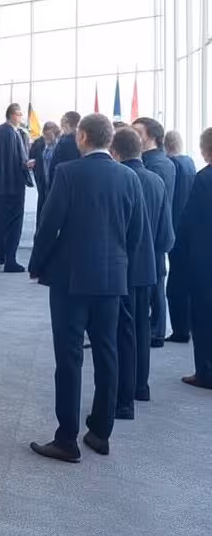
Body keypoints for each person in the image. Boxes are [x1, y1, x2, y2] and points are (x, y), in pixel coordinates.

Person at [29, 114, 151, 462]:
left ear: (82, 137)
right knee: (107, 353)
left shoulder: (68, 173)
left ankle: (66, 439)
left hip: (70, 280)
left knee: (69, 358)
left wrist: (37, 265)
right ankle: (100, 432)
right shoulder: (129, 177)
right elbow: (137, 233)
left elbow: (49, 225)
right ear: (110, 139)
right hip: (112, 280)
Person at [110, 126, 172, 418]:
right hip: (149, 266)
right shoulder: (157, 181)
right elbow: (166, 235)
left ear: (115, 151)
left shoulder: (119, 180)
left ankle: (123, 397)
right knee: (142, 327)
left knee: (122, 333)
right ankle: (141, 387)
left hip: (122, 269)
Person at [132, 116, 176, 347]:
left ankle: (156, 331)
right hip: (156, 230)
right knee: (156, 279)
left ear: (152, 137)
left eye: (138, 132)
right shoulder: (160, 162)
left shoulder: (156, 165)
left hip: (152, 230)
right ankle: (155, 329)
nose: (134, 136)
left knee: (155, 280)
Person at [174, 127, 212, 390]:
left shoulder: (204, 179)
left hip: (205, 261)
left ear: (205, 150)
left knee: (203, 316)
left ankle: (206, 373)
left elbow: (189, 222)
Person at [0, 103, 32, 272]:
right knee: (14, 223)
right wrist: (27, 164)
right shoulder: (12, 133)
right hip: (13, 186)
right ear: (12, 115)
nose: (21, 118)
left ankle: (0, 256)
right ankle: (10, 259)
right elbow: (17, 160)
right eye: (19, 114)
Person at [163, 130, 197, 344]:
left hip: (175, 228)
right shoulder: (190, 163)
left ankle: (180, 329)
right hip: (188, 230)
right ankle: (188, 325)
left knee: (175, 284)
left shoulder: (172, 166)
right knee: (186, 280)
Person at [28, 121, 60, 226]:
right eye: (45, 134)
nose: (47, 137)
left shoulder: (60, 145)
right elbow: (31, 156)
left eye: (50, 135)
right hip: (42, 180)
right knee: (42, 207)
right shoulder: (38, 143)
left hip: (54, 181)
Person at [47, 111, 81, 186]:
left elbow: (69, 166)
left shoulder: (71, 141)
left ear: (66, 121)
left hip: (62, 184)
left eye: (63, 117)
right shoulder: (65, 138)